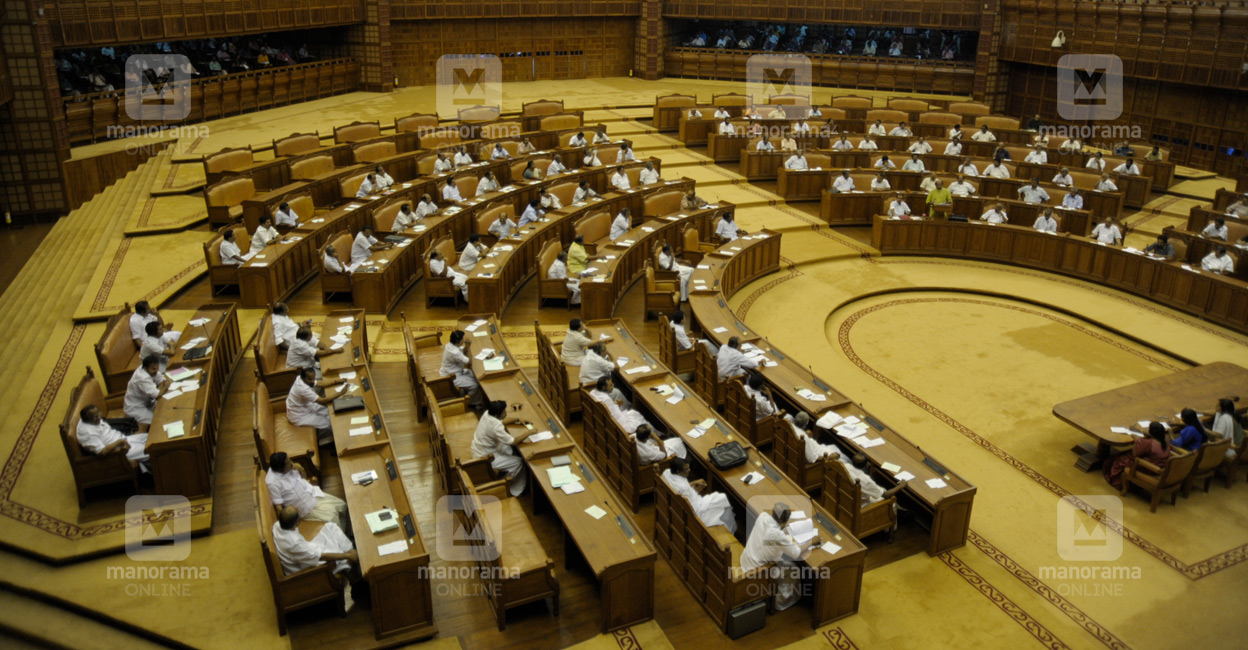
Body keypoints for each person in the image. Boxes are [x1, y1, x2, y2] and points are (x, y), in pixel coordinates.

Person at [271, 505, 358, 611]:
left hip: (305, 552)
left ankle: (351, 550)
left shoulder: (277, 526)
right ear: (296, 522)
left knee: (330, 527)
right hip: (306, 566)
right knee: (342, 558)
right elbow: (321, 556)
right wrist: (347, 555)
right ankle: (356, 580)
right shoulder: (294, 543)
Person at [739, 503, 820, 611]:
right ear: (785, 520)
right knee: (793, 571)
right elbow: (796, 552)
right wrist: (812, 541)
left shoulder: (763, 516)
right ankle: (777, 603)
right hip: (759, 569)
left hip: (747, 558)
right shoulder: (778, 535)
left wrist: (784, 528)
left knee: (785, 563)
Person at [471, 400, 535, 496]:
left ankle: (506, 471)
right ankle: (513, 489)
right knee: (518, 462)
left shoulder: (487, 414)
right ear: (498, 414)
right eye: (504, 412)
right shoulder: (496, 427)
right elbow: (513, 441)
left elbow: (501, 421)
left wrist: (517, 419)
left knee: (508, 448)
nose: (506, 413)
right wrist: (530, 432)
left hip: (479, 448)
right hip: (486, 458)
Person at [266, 451, 347, 525]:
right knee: (333, 519)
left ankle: (349, 534)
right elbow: (278, 507)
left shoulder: (289, 467)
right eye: (288, 463)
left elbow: (303, 479)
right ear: (280, 469)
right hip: (305, 508)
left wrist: (301, 469)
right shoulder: (273, 482)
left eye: (290, 460)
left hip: (312, 494)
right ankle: (344, 539)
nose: (291, 463)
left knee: (342, 505)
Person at [661, 458, 737, 533]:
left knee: (719, 498)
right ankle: (731, 529)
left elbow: (679, 488)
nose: (689, 470)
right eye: (686, 469)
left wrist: (693, 483)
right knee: (722, 498)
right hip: (696, 508)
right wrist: (696, 490)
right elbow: (690, 505)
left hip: (680, 501)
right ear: (678, 471)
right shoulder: (683, 488)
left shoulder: (666, 472)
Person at [1103, 422, 1171, 490]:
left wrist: (1136, 438)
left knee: (1121, 458)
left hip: (1149, 468)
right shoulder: (1165, 442)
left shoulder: (1150, 444)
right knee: (1125, 454)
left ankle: (1116, 480)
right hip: (1160, 466)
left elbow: (1136, 453)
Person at [76, 404, 148, 469]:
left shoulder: (89, 418)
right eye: (95, 417)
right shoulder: (89, 434)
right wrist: (120, 441)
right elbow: (102, 452)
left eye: (98, 413)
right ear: (87, 420)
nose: (99, 417)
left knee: (149, 437)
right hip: (120, 450)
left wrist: (122, 439)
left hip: (123, 438)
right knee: (151, 449)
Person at [286, 367, 342, 445]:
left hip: (306, 407)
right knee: (329, 424)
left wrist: (337, 381)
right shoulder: (303, 389)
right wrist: (341, 393)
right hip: (299, 416)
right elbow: (323, 401)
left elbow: (319, 383)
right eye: (310, 379)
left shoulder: (302, 378)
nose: (312, 381)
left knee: (332, 413)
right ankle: (318, 440)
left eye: (313, 378)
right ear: (303, 377)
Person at [440, 330, 483, 406]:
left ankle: (467, 392)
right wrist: (469, 347)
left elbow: (462, 351)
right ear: (458, 341)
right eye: (462, 339)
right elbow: (469, 361)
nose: (463, 340)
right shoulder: (454, 352)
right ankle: (471, 402)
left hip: (455, 372)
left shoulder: (450, 345)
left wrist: (466, 346)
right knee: (475, 385)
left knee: (475, 375)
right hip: (452, 377)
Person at [124, 356, 165, 425]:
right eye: (153, 369)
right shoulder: (142, 377)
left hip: (148, 402)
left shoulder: (149, 369)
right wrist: (165, 386)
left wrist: (160, 389)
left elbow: (162, 380)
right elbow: (157, 394)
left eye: (157, 368)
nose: (156, 371)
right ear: (146, 368)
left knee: (163, 410)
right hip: (136, 408)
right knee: (156, 422)